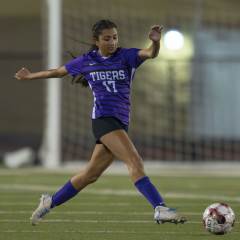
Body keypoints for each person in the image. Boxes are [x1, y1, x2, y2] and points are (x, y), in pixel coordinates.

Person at [15, 19, 186, 225]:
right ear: (96, 41)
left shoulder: (126, 56)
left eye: (115, 37)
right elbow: (58, 72)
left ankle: (49, 202)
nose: (112, 42)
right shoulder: (86, 61)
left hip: (121, 121)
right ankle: (160, 208)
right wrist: (30, 76)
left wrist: (156, 42)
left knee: (90, 174)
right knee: (134, 161)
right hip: (104, 120)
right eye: (107, 38)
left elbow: (150, 53)